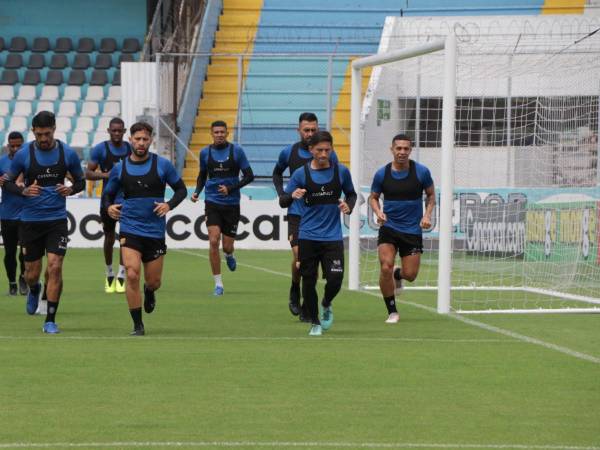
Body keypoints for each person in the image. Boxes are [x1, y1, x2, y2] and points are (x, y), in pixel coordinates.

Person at [3, 111, 85, 333]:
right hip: (30, 221)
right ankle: (33, 288)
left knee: (55, 266)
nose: (43, 139)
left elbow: (81, 182)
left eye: (47, 134)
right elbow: (7, 182)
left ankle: (50, 319)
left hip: (56, 220)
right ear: (33, 132)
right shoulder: (23, 155)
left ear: (54, 129)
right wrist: (23, 190)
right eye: (39, 134)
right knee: (31, 272)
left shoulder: (67, 153)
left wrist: (71, 189)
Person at [102, 121, 187, 336]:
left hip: (154, 231)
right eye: (137, 139)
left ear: (151, 141)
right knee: (131, 274)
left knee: (154, 281)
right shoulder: (120, 168)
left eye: (145, 139)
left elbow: (181, 190)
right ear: (130, 140)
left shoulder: (162, 165)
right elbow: (107, 195)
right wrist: (109, 207)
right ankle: (137, 325)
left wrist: (169, 205)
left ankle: (150, 292)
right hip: (130, 228)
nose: (141, 143)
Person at [282, 131, 356, 336]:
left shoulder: (341, 171)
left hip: (332, 236)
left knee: (335, 279)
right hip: (308, 236)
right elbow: (283, 201)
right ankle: (314, 322)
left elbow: (351, 193)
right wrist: (291, 195)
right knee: (309, 279)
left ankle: (326, 302)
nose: (324, 154)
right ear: (310, 150)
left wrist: (348, 206)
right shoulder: (301, 174)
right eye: (319, 150)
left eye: (327, 149)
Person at [272, 112, 339, 320]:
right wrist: (284, 194)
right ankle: (295, 287)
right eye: (306, 130)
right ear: (298, 130)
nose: (310, 133)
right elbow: (276, 173)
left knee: (310, 266)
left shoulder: (328, 154)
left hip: (319, 215)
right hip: (297, 213)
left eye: (313, 130)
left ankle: (306, 303)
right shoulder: (289, 152)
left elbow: (335, 179)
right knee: (299, 258)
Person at [369, 133, 435, 324]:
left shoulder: (421, 172)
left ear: (410, 150)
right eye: (398, 148)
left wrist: (427, 215)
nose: (402, 152)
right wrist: (378, 211)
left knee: (411, 275)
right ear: (392, 150)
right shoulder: (382, 174)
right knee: (385, 266)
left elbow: (431, 196)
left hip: (412, 230)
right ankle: (392, 311)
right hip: (389, 227)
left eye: (406, 148)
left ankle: (398, 274)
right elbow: (373, 197)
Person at [190, 120, 254, 296]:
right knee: (213, 240)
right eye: (216, 132)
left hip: (232, 204)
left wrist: (231, 189)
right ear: (211, 133)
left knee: (226, 246)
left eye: (222, 132)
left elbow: (249, 176)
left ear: (227, 133)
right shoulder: (205, 153)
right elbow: (202, 175)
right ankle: (218, 284)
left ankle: (229, 255)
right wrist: (196, 192)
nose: (219, 135)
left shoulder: (236, 151)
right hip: (212, 202)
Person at [85, 117, 132, 294]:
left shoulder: (130, 149)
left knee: (125, 238)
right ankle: (109, 272)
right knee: (109, 237)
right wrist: (107, 176)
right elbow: (88, 173)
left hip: (127, 199)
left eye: (120, 131)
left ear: (124, 131)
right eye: (114, 130)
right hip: (108, 199)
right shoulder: (100, 149)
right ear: (109, 130)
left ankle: (121, 275)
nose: (117, 134)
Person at [0, 131, 26, 295]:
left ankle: (24, 279)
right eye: (12, 146)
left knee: (26, 252)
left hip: (26, 214)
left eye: (19, 146)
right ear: (8, 145)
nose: (15, 149)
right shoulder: (2, 162)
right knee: (10, 253)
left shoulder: (30, 161)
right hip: (8, 214)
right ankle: (12, 282)